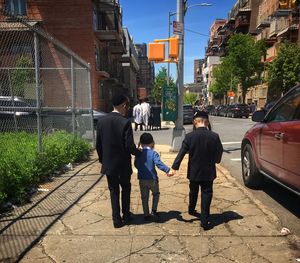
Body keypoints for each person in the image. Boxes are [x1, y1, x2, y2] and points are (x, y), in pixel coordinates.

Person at [171, 111, 223, 230]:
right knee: (207, 193)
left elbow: (182, 152)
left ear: (195, 123)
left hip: (194, 171)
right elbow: (219, 152)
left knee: (193, 190)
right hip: (208, 171)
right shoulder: (214, 136)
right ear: (207, 122)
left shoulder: (189, 136)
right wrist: (216, 160)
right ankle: (204, 220)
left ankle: (191, 208)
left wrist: (174, 167)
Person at [96, 94, 140, 228]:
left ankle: (116, 220)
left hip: (109, 164)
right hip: (123, 164)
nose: (127, 109)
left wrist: (103, 160)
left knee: (113, 191)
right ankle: (126, 215)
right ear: (123, 106)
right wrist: (139, 153)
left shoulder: (102, 121)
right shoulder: (125, 122)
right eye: (127, 106)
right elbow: (129, 146)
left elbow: (98, 145)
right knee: (125, 189)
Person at [134, 133, 172, 221]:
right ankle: (154, 211)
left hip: (142, 179)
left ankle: (146, 214)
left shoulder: (138, 153)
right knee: (156, 194)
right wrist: (167, 170)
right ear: (152, 143)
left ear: (141, 143)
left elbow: (136, 164)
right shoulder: (154, 153)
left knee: (144, 197)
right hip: (152, 179)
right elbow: (159, 164)